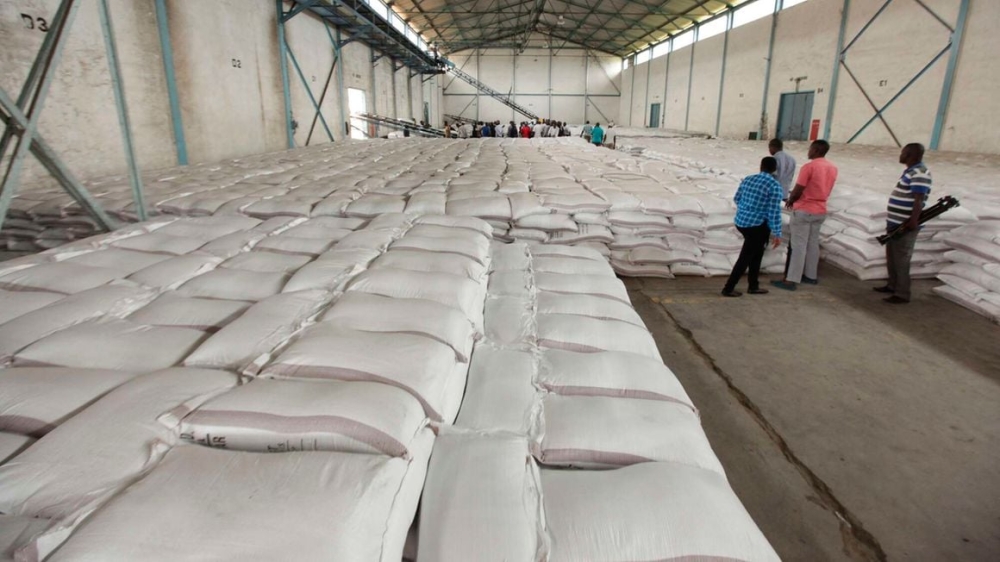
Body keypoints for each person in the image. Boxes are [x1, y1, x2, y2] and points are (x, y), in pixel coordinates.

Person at [772, 140, 837, 291]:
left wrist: (791, 200)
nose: (809, 151)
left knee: (798, 245)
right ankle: (810, 275)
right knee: (813, 243)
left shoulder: (809, 167)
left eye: (810, 149)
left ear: (815, 150)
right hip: (820, 209)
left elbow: (799, 187)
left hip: (805, 209)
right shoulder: (833, 168)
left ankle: (791, 280)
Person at [874, 143, 932, 304]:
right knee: (892, 256)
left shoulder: (920, 173)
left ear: (910, 155)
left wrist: (913, 220)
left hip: (905, 224)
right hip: (895, 222)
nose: (900, 155)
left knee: (901, 259)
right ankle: (892, 285)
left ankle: (902, 293)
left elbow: (919, 199)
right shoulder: (911, 171)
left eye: (903, 153)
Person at [722, 157, 785, 297]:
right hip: (757, 226)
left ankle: (753, 285)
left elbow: (737, 198)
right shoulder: (774, 186)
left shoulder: (748, 179)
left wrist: (747, 210)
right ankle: (728, 288)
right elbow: (774, 211)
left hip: (741, 222)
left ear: (761, 166)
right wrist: (777, 233)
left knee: (757, 254)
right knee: (746, 257)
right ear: (775, 169)